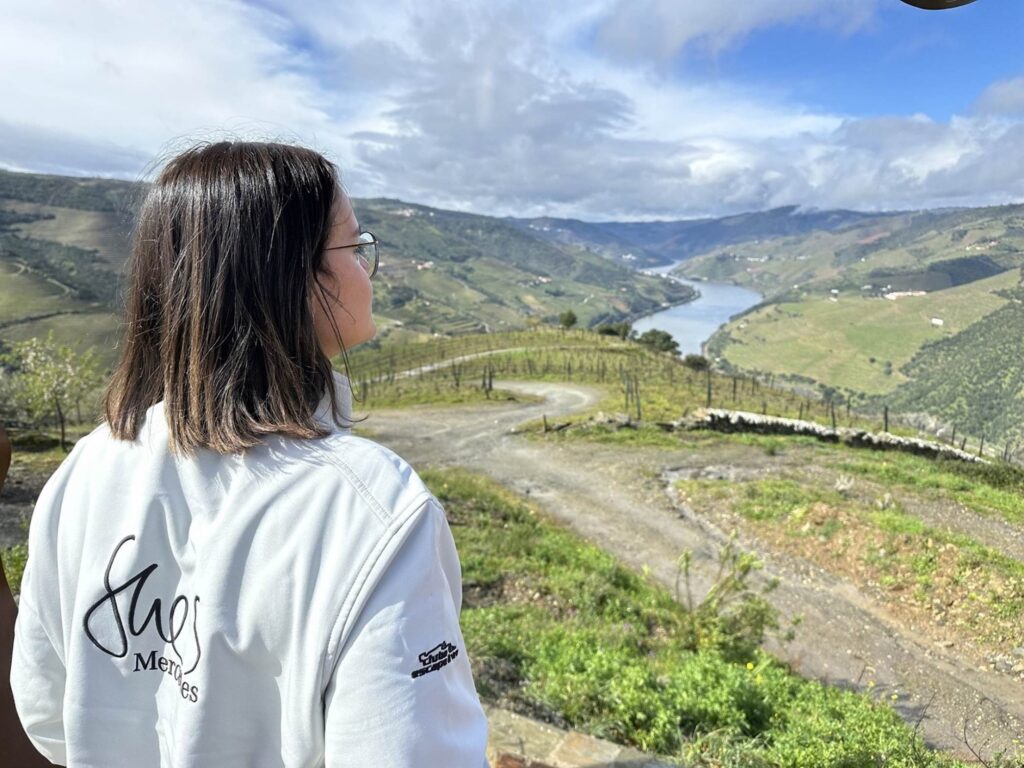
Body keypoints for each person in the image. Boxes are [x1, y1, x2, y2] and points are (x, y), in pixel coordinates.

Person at [9, 141, 490, 767]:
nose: (367, 267)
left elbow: (46, 712)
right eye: (354, 245)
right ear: (294, 279)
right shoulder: (371, 512)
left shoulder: (87, 467)